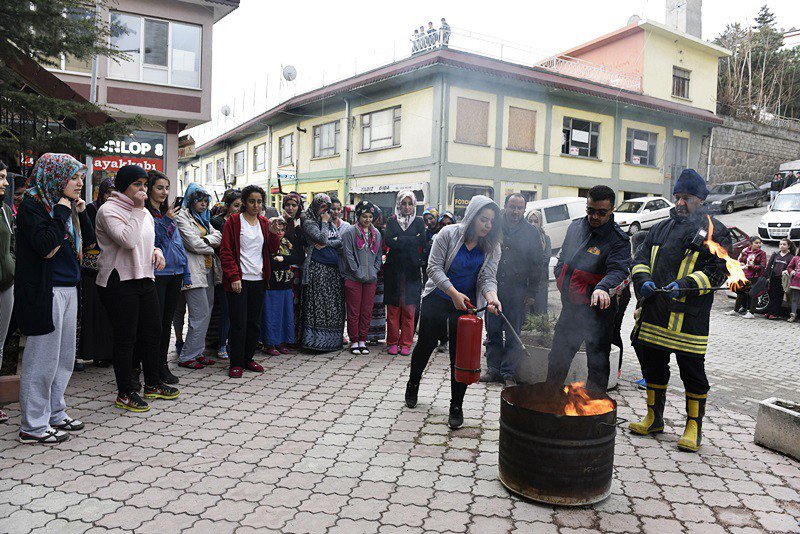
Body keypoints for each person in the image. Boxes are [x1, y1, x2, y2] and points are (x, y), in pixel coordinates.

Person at [629, 168, 732, 452]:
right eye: (678, 196)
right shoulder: (661, 228)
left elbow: (718, 272)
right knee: (652, 365)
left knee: (693, 372)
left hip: (689, 319)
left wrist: (685, 284)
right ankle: (654, 418)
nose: (680, 203)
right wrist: (643, 280)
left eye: (687, 198)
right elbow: (639, 259)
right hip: (655, 313)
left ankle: (693, 427)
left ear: (701, 200)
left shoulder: (716, 231)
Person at [15, 153, 94, 442]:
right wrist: (62, 211)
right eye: (73, 177)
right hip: (44, 291)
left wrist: (80, 211)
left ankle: (54, 412)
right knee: (42, 360)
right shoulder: (33, 207)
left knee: (63, 358)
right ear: (55, 177)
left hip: (68, 288)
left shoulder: (66, 207)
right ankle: (32, 425)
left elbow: (90, 243)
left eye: (80, 177)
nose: (78, 183)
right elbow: (46, 247)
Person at [405, 195, 503, 430]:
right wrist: (453, 293)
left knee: (460, 355)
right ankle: (413, 383)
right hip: (438, 297)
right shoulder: (448, 234)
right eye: (483, 219)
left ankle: (456, 406)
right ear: (471, 217)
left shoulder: (492, 246)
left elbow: (488, 278)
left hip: (466, 306)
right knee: (426, 344)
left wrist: (492, 298)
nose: (488, 225)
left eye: (491, 221)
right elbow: (433, 268)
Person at [96, 164, 180, 411]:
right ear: (124, 186)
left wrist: (157, 251)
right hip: (118, 281)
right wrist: (137, 210)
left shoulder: (142, 212)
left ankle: (152, 384)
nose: (143, 189)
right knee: (126, 339)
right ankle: (125, 392)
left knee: (153, 332)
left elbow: (146, 240)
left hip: (144, 277)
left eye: (145, 184)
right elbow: (128, 240)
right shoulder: (109, 210)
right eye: (137, 184)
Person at [546, 186, 630, 392]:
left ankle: (595, 411)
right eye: (590, 210)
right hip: (572, 309)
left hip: (599, 311)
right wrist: (560, 277)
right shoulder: (575, 228)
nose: (594, 216)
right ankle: (549, 401)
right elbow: (563, 258)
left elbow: (619, 270)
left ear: (612, 211)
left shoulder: (618, 240)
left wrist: (602, 288)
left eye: (601, 212)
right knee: (558, 356)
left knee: (598, 363)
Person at [482, 193, 545, 387]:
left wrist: (532, 292)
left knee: (513, 332)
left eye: (519, 208)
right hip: (493, 287)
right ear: (505, 206)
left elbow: (537, 263)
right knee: (492, 330)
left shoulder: (531, 233)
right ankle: (493, 370)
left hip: (518, 290)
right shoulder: (494, 226)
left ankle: (508, 372)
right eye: (512, 207)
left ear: (524, 210)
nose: (516, 211)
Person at [220, 185, 280, 378]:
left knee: (254, 322)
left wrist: (273, 234)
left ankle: (248, 358)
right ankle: (235, 362)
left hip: (259, 279)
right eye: (252, 201)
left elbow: (272, 249)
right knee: (239, 322)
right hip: (239, 280)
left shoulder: (264, 222)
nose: (256, 205)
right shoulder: (234, 222)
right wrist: (234, 276)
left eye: (259, 201)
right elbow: (226, 251)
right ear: (244, 202)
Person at [147, 170, 191, 385]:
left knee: (165, 324)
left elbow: (178, 244)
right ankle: (149, 368)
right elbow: (154, 242)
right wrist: (165, 220)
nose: (164, 192)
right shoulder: (147, 214)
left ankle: (162, 366)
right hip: (157, 274)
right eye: (159, 188)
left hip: (175, 274)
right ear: (149, 189)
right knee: (154, 325)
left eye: (166, 188)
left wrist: (186, 271)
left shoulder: (167, 213)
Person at [176, 183, 222, 369]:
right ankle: (186, 356)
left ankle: (197, 352)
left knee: (206, 312)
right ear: (190, 200)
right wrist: (210, 244)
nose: (203, 205)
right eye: (199, 201)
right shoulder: (182, 217)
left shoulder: (203, 219)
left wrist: (206, 241)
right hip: (192, 272)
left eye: (205, 201)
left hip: (208, 270)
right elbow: (193, 244)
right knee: (199, 314)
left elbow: (218, 235)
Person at [300, 193, 345, 351]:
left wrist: (326, 242)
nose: (325, 210)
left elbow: (340, 242)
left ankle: (332, 342)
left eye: (327, 207)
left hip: (333, 271)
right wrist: (325, 224)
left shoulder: (330, 222)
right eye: (322, 206)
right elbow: (321, 239)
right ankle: (316, 343)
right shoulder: (309, 221)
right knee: (319, 305)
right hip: (318, 270)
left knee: (332, 306)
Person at [384, 191, 425, 356]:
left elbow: (422, 241)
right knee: (393, 309)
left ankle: (406, 342)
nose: (407, 207)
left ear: (414, 205)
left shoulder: (419, 222)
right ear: (399, 204)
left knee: (409, 309)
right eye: (404, 203)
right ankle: (392, 341)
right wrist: (411, 240)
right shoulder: (391, 221)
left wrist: (399, 240)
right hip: (394, 271)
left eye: (410, 204)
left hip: (412, 271)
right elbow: (388, 241)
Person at [81, 178, 115, 367]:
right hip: (92, 269)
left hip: (111, 267)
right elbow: (91, 238)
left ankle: (108, 352)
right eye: (108, 193)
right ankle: (96, 353)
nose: (110, 197)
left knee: (108, 312)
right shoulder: (91, 209)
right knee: (95, 312)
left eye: (114, 193)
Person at [341, 200, 383, 354]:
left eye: (370, 216)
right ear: (358, 216)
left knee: (367, 310)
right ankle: (354, 340)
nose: (367, 220)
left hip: (371, 278)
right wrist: (357, 271)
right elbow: (348, 255)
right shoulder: (350, 233)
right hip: (353, 278)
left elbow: (378, 254)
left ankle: (363, 339)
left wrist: (375, 269)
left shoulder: (376, 233)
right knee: (354, 311)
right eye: (364, 216)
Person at [260, 217, 301, 355]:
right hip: (272, 285)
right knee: (271, 315)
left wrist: (283, 259)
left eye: (282, 230)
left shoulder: (286, 242)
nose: (280, 233)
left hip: (285, 284)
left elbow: (297, 258)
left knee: (285, 314)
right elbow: (269, 261)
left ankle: (281, 342)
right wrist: (281, 261)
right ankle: (269, 343)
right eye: (278, 230)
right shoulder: (266, 242)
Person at [210, 189, 242, 360]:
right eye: (236, 205)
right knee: (226, 310)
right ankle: (221, 344)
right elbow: (218, 246)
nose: (239, 209)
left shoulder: (244, 221)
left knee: (237, 310)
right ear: (228, 206)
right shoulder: (217, 221)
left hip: (241, 270)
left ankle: (232, 342)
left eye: (240, 206)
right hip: (222, 270)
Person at [281, 192, 305, 346]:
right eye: (287, 205)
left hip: (298, 268)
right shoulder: (279, 222)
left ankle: (294, 337)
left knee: (296, 304)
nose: (290, 208)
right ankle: (283, 338)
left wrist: (296, 225)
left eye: (294, 205)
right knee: (285, 304)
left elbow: (303, 242)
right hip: (283, 268)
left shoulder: (302, 223)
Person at [0, 162, 13, 423]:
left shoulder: (4, 209)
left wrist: (13, 265)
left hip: (6, 284)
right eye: (1, 177)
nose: (6, 183)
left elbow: (12, 244)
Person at [728, 236, 766, 319]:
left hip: (755, 276)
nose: (758, 245)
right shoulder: (745, 251)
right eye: (756, 243)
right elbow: (740, 260)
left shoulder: (762, 253)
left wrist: (750, 267)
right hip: (744, 275)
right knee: (741, 292)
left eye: (760, 243)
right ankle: (736, 310)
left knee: (754, 294)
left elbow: (762, 266)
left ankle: (751, 312)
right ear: (751, 243)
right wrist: (740, 263)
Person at [367, 206, 387, 345]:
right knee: (368, 305)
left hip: (379, 272)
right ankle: (366, 334)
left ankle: (377, 334)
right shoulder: (362, 231)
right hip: (365, 272)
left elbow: (384, 250)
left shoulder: (382, 232)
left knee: (378, 305)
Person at [526, 209, 551, 316]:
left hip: (541, 279)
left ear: (540, 222)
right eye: (530, 221)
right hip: (525, 279)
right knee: (525, 311)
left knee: (540, 310)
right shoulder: (522, 238)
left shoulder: (546, 238)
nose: (533, 224)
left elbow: (546, 258)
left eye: (536, 221)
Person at [763, 238, 795, 319]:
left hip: (783, 280)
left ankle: (775, 313)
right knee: (771, 295)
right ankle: (769, 312)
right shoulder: (775, 254)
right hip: (773, 278)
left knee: (778, 297)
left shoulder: (791, 257)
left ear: (788, 246)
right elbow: (769, 266)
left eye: (784, 244)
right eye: (780, 244)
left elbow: (791, 268)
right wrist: (767, 277)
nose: (782, 246)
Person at [785, 252, 800, 322]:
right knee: (794, 299)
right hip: (796, 281)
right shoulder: (796, 258)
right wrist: (793, 273)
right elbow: (789, 267)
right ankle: (793, 315)